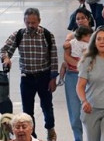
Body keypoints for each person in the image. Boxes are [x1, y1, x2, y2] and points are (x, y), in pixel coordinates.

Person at [1, 8, 59, 141]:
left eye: (33, 22)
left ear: (39, 21)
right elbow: (4, 50)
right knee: (27, 110)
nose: (31, 25)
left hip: (44, 76)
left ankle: (50, 128)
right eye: (28, 22)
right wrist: (6, 58)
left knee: (47, 107)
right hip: (26, 78)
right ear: (24, 21)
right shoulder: (19, 35)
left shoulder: (47, 35)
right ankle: (31, 136)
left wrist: (53, 78)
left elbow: (54, 58)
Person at [63, 25, 93, 141]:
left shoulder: (93, 43)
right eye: (78, 18)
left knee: (90, 113)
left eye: (83, 18)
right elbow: (66, 55)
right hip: (73, 75)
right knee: (75, 114)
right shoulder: (72, 39)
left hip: (88, 77)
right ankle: (78, 138)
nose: (80, 20)